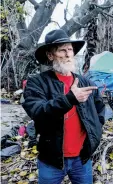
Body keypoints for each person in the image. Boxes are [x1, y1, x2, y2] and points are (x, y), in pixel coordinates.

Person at [22, 29, 105, 184]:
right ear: (50, 55)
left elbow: (100, 110)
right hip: (51, 161)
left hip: (82, 159)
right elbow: (38, 111)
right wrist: (69, 99)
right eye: (62, 50)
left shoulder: (86, 83)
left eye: (70, 49)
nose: (68, 54)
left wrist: (95, 133)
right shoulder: (38, 83)